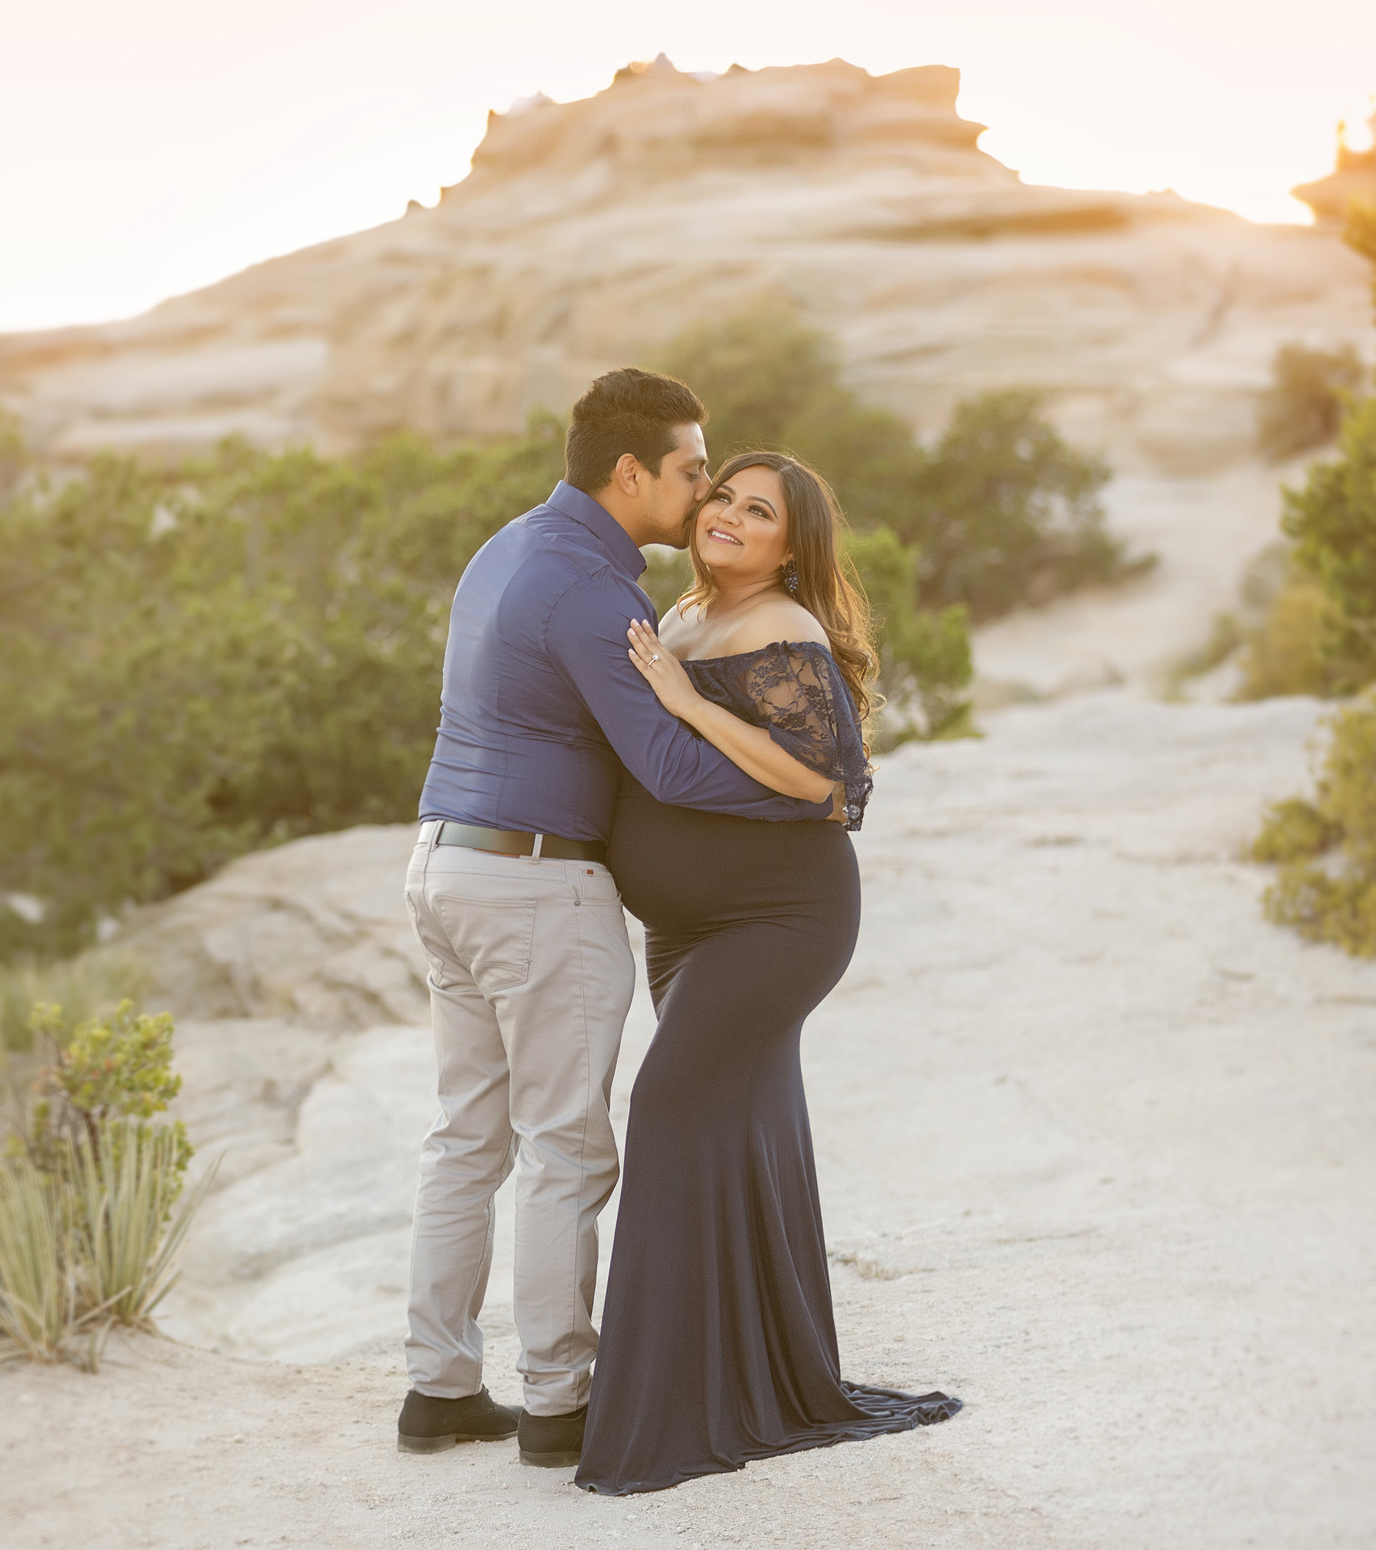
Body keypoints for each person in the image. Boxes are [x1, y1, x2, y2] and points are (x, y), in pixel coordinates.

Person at [399, 373, 835, 1471]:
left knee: (465, 1139)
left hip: (445, 864)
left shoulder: (510, 546)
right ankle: (558, 1402)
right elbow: (669, 768)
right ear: (631, 473)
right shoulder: (596, 593)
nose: (703, 494)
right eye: (694, 472)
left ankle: (438, 1388)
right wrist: (807, 794)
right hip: (533, 885)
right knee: (563, 1146)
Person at [573, 451, 962, 1495]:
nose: (730, 517)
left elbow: (829, 781)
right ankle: (756, 1376)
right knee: (735, 1126)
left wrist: (684, 700)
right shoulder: (688, 614)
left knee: (668, 1106)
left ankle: (661, 1412)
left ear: (791, 549)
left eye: (759, 512)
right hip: (691, 927)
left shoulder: (781, 626)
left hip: (781, 917)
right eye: (724, 498)